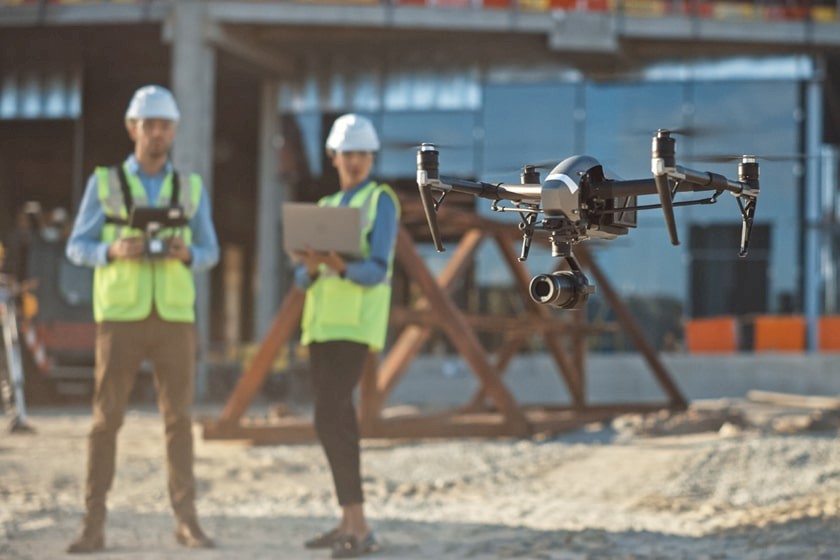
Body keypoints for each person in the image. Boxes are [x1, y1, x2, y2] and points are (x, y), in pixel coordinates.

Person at [65, 85, 219, 554]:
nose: (157, 133)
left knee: (179, 422)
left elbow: (209, 251)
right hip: (121, 318)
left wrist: (187, 251)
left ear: (174, 131)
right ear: (134, 128)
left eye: (165, 126)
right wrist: (111, 249)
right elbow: (76, 246)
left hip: (174, 318)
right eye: (149, 125)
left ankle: (186, 521)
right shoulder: (105, 183)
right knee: (105, 421)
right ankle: (93, 524)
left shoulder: (191, 188)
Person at [293, 114, 400, 559]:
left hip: (355, 327)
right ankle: (349, 522)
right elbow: (301, 281)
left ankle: (359, 525)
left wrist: (340, 267)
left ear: (371, 157)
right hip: (321, 327)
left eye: (362, 154)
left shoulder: (382, 201)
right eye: (347, 154)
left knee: (330, 418)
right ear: (333, 156)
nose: (354, 161)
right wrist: (313, 265)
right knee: (336, 421)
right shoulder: (327, 203)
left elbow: (377, 270)